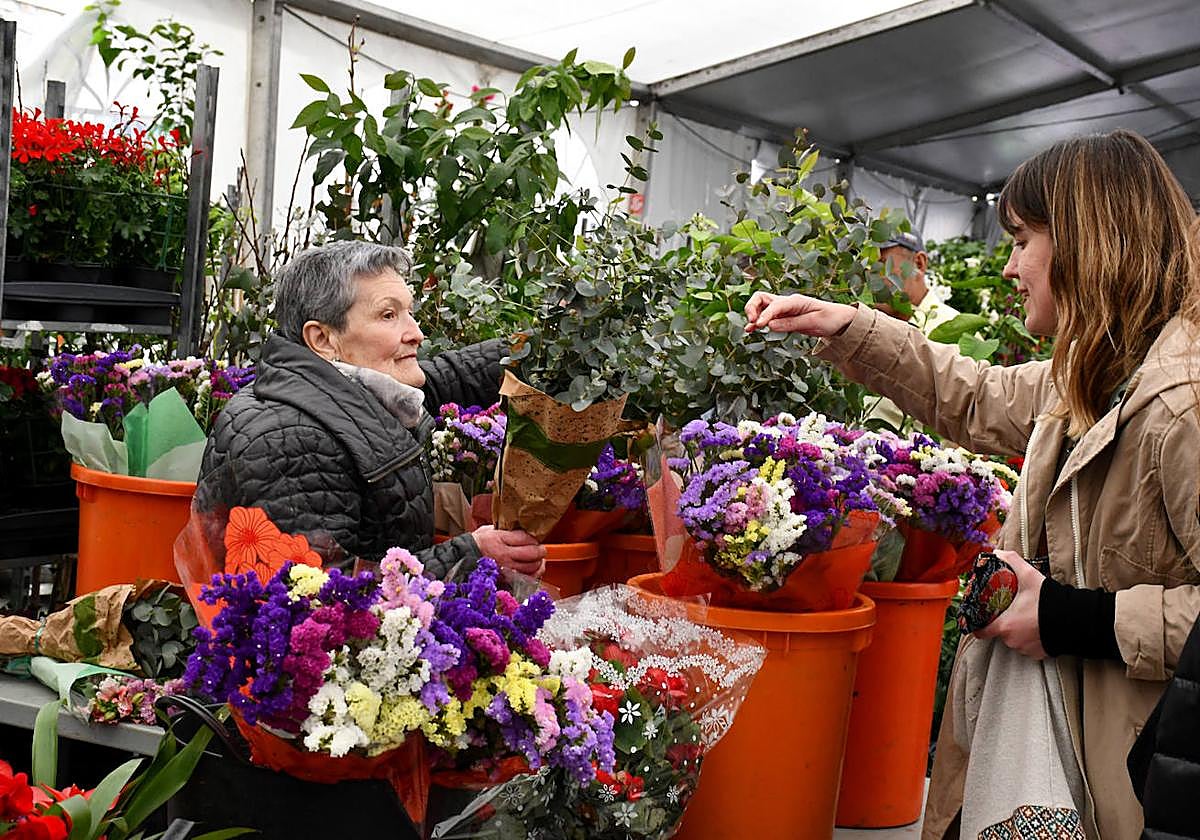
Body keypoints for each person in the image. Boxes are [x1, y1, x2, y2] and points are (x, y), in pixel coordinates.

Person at [744, 129, 1200, 838]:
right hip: (1068, 755)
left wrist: (1071, 619)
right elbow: (980, 395)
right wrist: (852, 329)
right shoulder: (1097, 373)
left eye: (1023, 240)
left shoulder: (1181, 406)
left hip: (1134, 779)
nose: (1011, 265)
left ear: (1086, 242)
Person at [197, 241, 546, 580]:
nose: (417, 333)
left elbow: (446, 377)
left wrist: (547, 346)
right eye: (389, 315)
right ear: (323, 339)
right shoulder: (291, 438)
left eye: (410, 313)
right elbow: (320, 595)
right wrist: (473, 554)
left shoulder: (329, 392)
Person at [866, 228, 960, 430]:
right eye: (865, 266)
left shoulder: (954, 332)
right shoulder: (867, 326)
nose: (869, 276)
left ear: (918, 264)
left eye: (881, 265)